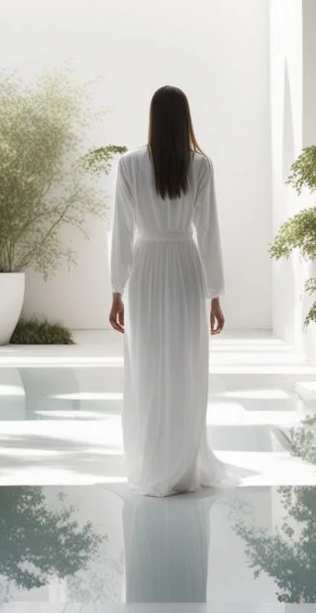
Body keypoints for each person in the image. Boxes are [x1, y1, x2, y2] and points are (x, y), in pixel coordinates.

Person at [108, 85, 236, 497]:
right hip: (184, 266)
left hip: (145, 269)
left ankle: (150, 459)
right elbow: (210, 232)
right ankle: (182, 464)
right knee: (185, 363)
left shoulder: (128, 164)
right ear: (185, 119)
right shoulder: (201, 166)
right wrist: (215, 294)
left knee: (147, 365)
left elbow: (122, 233)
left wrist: (116, 290)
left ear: (152, 117)